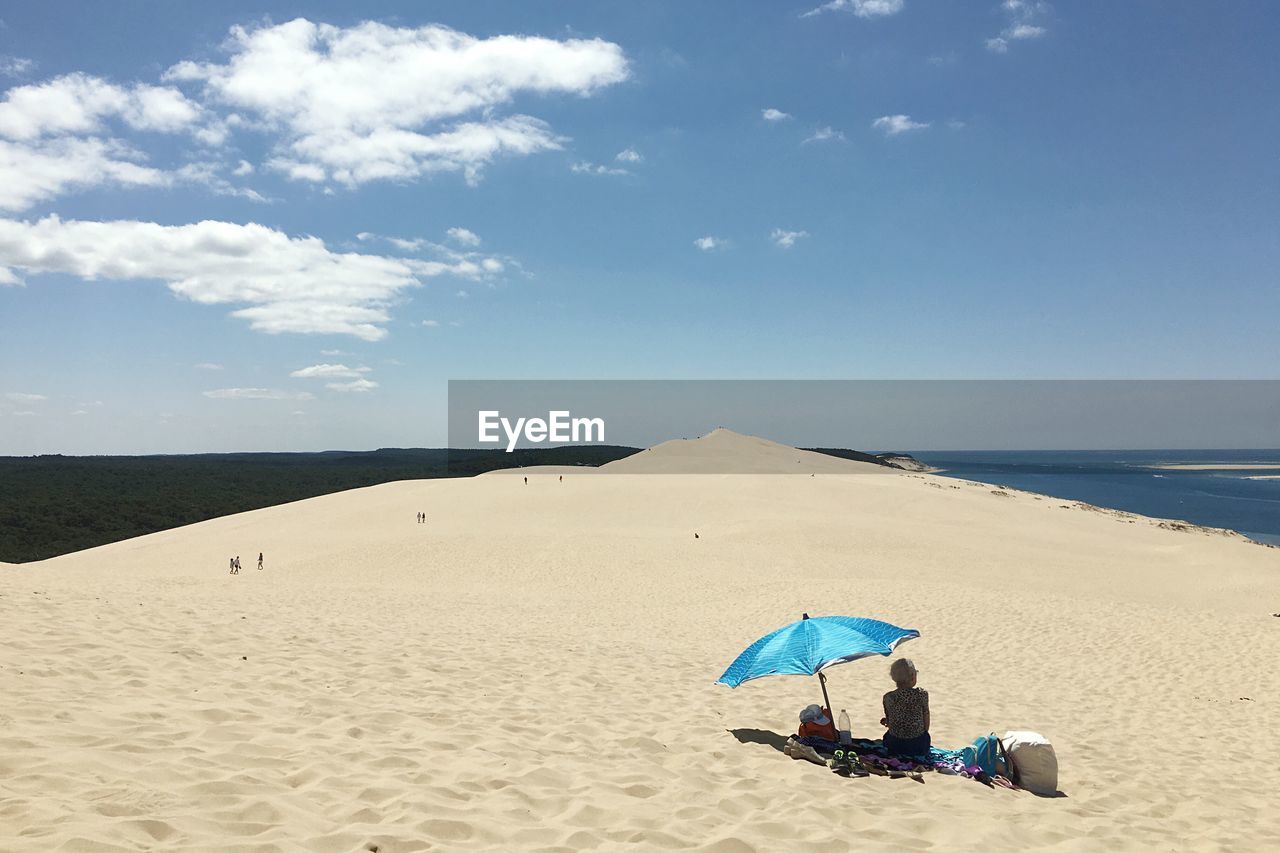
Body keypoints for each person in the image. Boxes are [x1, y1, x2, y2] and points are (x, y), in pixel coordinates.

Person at [880, 658, 930, 757]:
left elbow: (890, 723)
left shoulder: (888, 697)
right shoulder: (921, 694)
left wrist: (889, 721)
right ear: (912, 677)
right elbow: (926, 723)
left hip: (895, 745)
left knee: (888, 736)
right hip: (917, 745)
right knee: (925, 736)